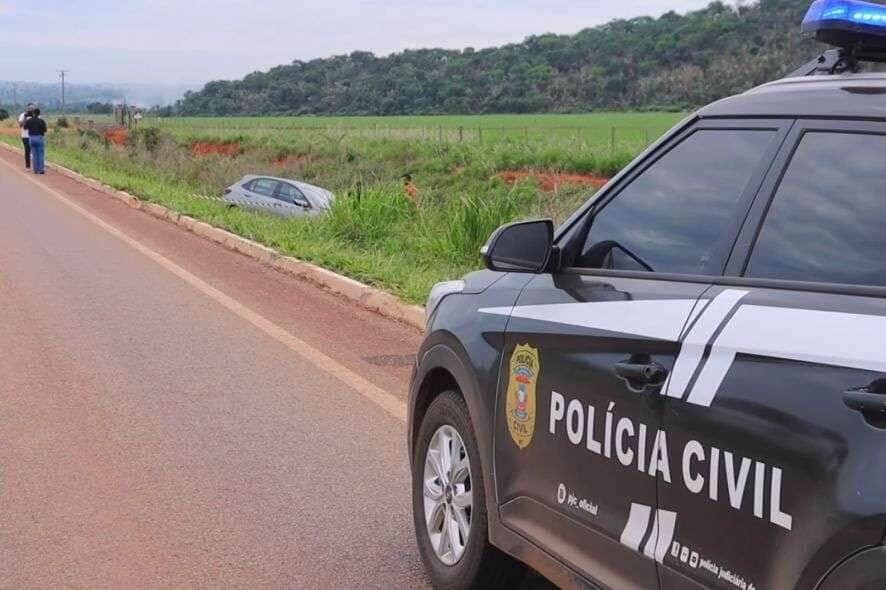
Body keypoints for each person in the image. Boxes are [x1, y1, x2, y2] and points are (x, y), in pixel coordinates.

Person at [23, 108, 47, 175]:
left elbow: (24, 128)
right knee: (41, 154)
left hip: (31, 138)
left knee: (34, 154)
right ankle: (41, 170)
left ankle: (35, 170)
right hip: (39, 137)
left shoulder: (29, 120)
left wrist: (25, 117)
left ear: (33, 113)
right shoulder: (41, 121)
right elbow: (45, 130)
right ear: (39, 114)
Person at [17, 103, 36, 169]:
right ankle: (28, 166)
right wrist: (25, 117)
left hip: (34, 135)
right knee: (27, 150)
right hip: (25, 136)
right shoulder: (22, 115)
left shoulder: (36, 115)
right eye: (29, 108)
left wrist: (34, 117)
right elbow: (20, 125)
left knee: (34, 151)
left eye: (32, 108)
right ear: (27, 108)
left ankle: (35, 165)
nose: (31, 110)